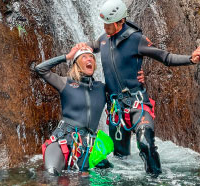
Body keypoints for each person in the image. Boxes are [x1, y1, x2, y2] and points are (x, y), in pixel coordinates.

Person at [74, 0, 200, 177]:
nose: (105, 28)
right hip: (116, 109)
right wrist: (81, 47)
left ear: (121, 21)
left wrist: (191, 59)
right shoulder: (103, 40)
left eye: (109, 24)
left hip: (137, 103)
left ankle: (156, 182)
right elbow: (88, 49)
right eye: (104, 24)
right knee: (121, 158)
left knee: (145, 143)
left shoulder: (137, 39)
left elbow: (165, 57)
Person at [34, 45, 144, 175]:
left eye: (91, 57)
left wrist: (138, 79)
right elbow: (40, 69)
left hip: (87, 146)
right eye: (84, 57)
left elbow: (126, 88)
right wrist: (67, 57)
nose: (89, 59)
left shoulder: (102, 88)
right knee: (52, 175)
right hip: (61, 141)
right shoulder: (65, 83)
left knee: (104, 180)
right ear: (76, 63)